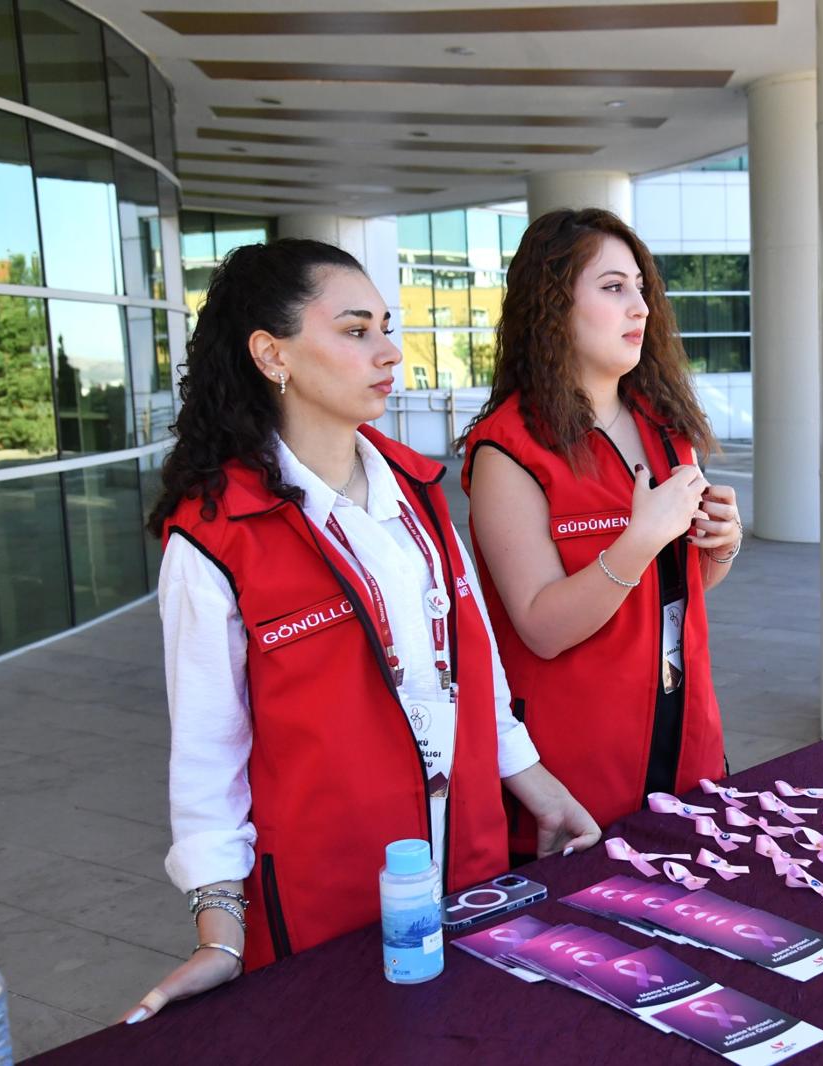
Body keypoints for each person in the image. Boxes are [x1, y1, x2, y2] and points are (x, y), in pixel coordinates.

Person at [126, 239, 599, 1023]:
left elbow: (470, 656)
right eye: (355, 331)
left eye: (388, 325)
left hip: (470, 858)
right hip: (328, 898)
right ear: (271, 354)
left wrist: (536, 786)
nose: (388, 351)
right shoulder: (215, 537)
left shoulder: (417, 489)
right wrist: (221, 934)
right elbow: (208, 758)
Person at [459, 208, 740, 856]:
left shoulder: (665, 426)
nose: (639, 307)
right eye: (613, 287)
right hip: (577, 779)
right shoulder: (509, 450)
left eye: (641, 288)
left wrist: (719, 545)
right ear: (553, 304)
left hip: (688, 748)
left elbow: (685, 588)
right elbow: (541, 626)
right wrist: (640, 538)